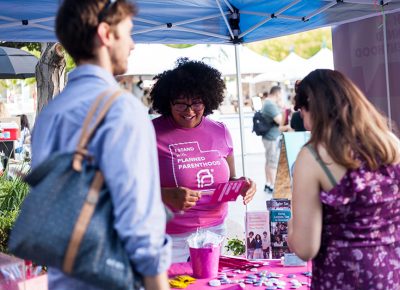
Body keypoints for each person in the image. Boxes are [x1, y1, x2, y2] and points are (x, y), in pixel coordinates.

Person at [31, 1, 171, 289]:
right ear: (106, 33)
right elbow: (141, 225)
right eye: (128, 33)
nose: (132, 44)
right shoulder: (123, 111)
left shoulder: (50, 114)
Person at [287, 69, 400, 289]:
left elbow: (305, 248)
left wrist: (291, 226)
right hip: (391, 274)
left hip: (343, 277)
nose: (302, 118)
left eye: (301, 109)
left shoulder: (313, 156)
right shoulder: (391, 143)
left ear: (312, 108)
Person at [150, 58, 256, 262]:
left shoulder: (220, 131)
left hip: (215, 232)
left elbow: (230, 180)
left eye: (196, 102)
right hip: (169, 237)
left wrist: (243, 185)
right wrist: (165, 195)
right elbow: (129, 188)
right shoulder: (150, 133)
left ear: (208, 100)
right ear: (168, 101)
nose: (189, 111)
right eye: (180, 103)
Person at [261, 86, 283, 193]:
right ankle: (273, 186)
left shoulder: (267, 102)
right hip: (272, 137)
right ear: (277, 93)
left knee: (269, 161)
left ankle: (268, 183)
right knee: (273, 162)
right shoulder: (270, 104)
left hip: (268, 137)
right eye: (281, 94)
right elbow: (280, 120)